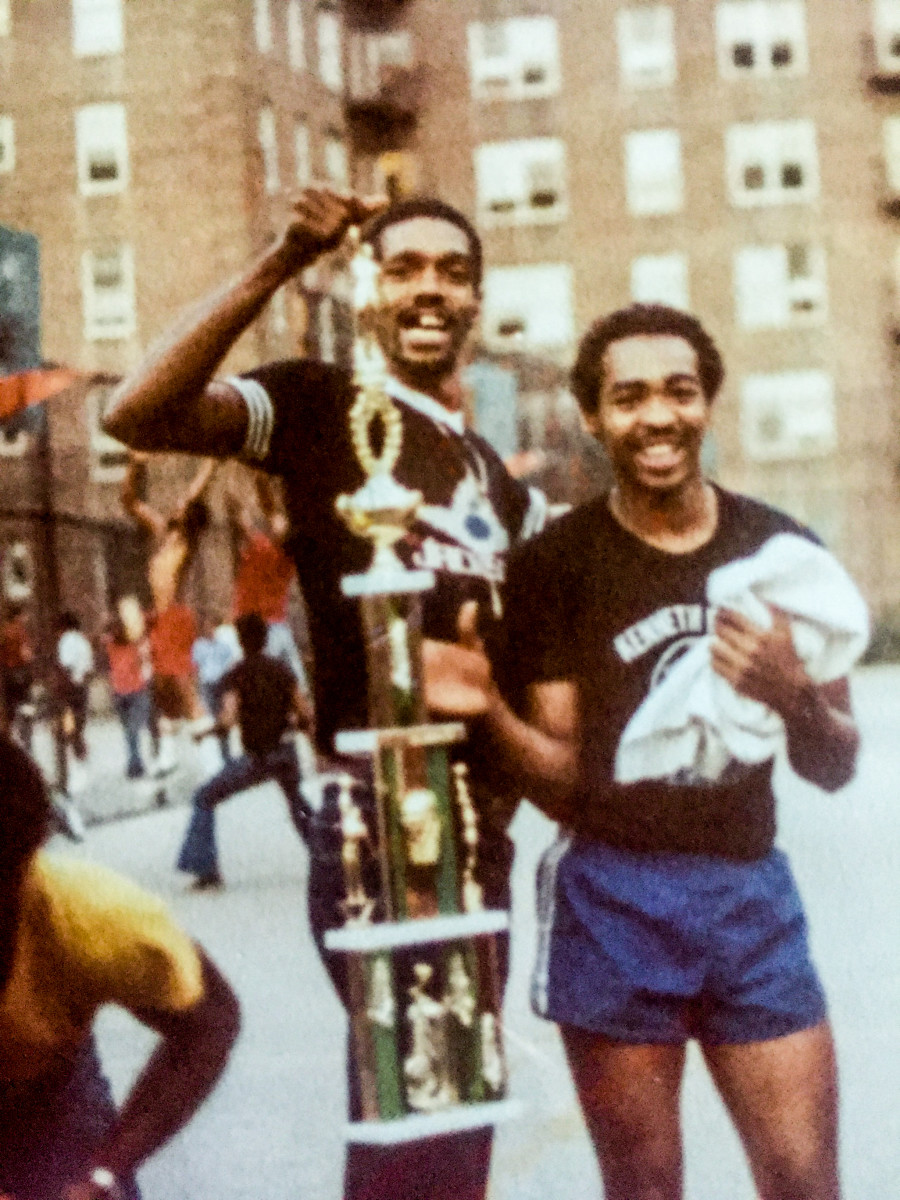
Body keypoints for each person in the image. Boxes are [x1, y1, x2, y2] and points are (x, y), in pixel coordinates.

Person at [102, 186, 547, 1200]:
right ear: (368, 293)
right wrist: (277, 261)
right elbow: (140, 410)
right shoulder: (319, 404)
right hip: (379, 824)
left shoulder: (495, 479)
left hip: (474, 834)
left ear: (477, 298)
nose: (430, 288)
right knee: (416, 1131)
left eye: (453, 271)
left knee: (450, 1128)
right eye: (404, 268)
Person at [427, 303, 867, 1200]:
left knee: (805, 1184)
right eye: (628, 398)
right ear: (593, 417)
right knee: (645, 1193)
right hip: (615, 900)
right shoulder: (557, 564)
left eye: (679, 392)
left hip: (751, 897)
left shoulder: (780, 551)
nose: (657, 417)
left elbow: (835, 764)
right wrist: (487, 714)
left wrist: (791, 695)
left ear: (709, 403)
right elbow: (569, 784)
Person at [0, 732, 240, 1200]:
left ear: (27, 865)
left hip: (42, 1092)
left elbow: (211, 1021)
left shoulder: (91, 916)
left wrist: (104, 1172)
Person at [177, 611, 314, 889]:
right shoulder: (282, 670)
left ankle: (206, 871)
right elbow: (305, 712)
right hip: (285, 752)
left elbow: (228, 719)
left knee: (205, 797)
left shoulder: (236, 674)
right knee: (297, 804)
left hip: (257, 757)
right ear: (265, 638)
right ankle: (328, 856)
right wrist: (298, 726)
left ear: (241, 640)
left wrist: (206, 732)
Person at [120, 451, 216, 771]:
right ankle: (171, 751)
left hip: (175, 617)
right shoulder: (162, 533)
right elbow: (129, 502)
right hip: (162, 618)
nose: (177, 504)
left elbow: (195, 492)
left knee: (182, 685)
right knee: (161, 687)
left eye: (183, 506)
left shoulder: (185, 544)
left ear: (189, 517)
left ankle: (211, 758)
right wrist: (135, 463)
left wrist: (211, 461)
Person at [228, 473, 308, 686]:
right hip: (276, 626)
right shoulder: (281, 555)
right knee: (294, 681)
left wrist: (257, 480)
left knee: (264, 681)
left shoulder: (265, 548)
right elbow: (270, 514)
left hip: (260, 629)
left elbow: (261, 514)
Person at [103, 600, 153, 779]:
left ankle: (135, 764)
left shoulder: (128, 646)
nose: (115, 633)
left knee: (132, 730)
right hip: (125, 691)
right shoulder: (116, 646)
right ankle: (135, 762)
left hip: (132, 690)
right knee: (129, 731)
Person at [191, 610, 242, 764]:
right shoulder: (198, 646)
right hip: (208, 685)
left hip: (223, 684)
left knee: (224, 717)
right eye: (206, 627)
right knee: (216, 718)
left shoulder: (223, 645)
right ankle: (224, 754)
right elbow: (195, 668)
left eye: (212, 626)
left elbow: (232, 663)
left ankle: (228, 754)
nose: (210, 630)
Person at [56, 611, 95, 775]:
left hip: (70, 686)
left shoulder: (66, 640)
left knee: (68, 720)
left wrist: (62, 687)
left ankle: (75, 751)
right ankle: (80, 749)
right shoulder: (83, 640)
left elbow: (66, 665)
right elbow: (89, 668)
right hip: (82, 686)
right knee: (79, 719)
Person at [0, 602, 35, 747]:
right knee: (26, 706)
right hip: (20, 673)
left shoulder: (3, 631)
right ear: (18, 616)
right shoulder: (20, 632)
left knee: (9, 709)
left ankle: (8, 738)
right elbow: (26, 654)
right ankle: (26, 738)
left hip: (6, 674)